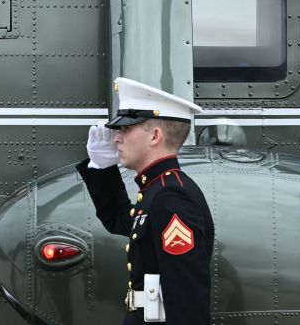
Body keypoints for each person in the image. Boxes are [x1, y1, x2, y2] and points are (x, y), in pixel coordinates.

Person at [77, 78, 214, 325]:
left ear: (155, 136)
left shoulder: (171, 198)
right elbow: (119, 220)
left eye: (126, 129)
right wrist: (102, 168)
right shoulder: (156, 191)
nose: (116, 138)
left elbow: (186, 301)